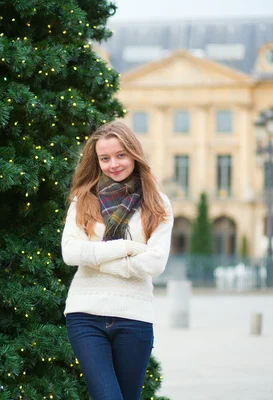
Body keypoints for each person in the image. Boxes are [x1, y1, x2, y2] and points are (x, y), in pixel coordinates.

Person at [61, 120, 174, 400]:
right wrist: (127, 247)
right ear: (96, 161)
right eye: (105, 158)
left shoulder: (157, 204)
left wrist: (95, 258)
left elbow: (155, 264)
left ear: (134, 154)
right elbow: (70, 253)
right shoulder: (83, 200)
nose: (114, 164)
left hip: (134, 317)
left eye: (121, 155)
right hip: (85, 315)